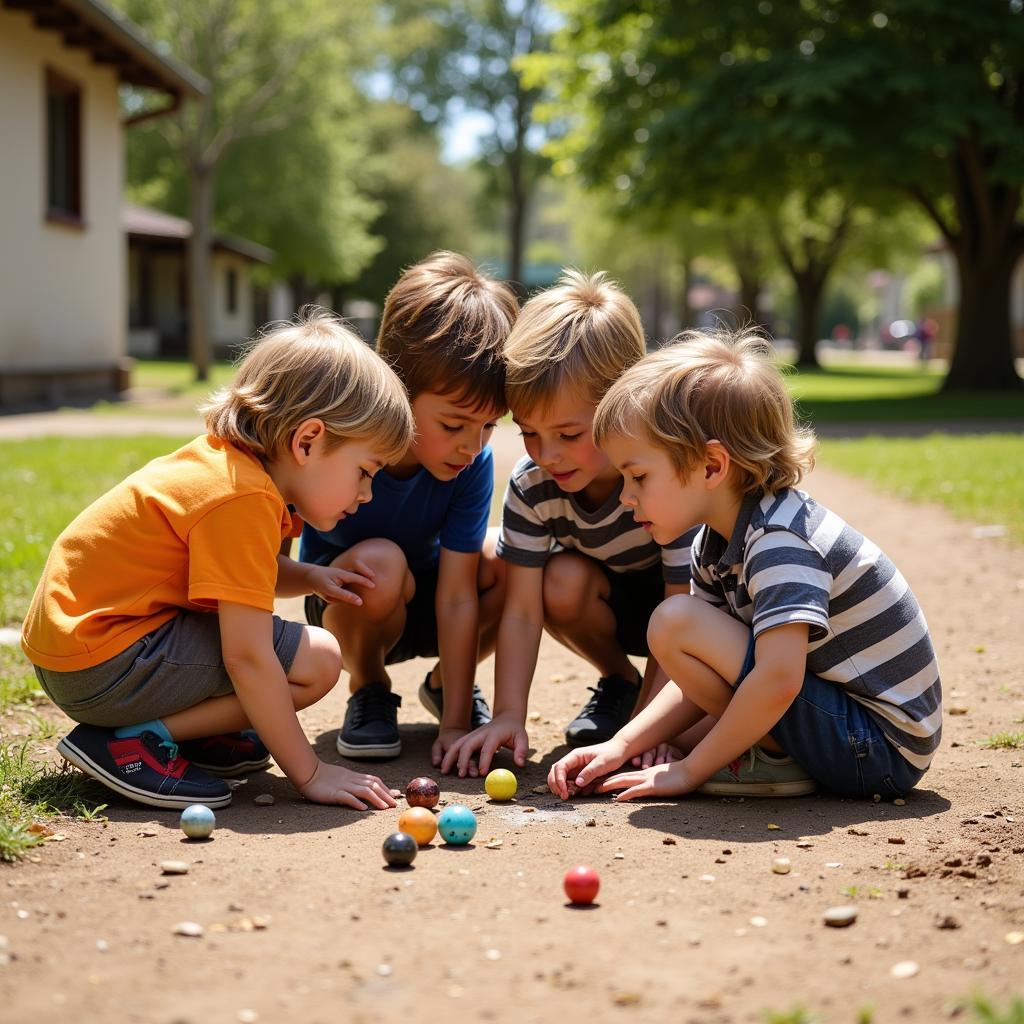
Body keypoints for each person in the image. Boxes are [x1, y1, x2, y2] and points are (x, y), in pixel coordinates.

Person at [21, 309, 413, 811]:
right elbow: (246, 658)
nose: (366, 494)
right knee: (317, 661)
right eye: (365, 471)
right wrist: (310, 772)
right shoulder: (241, 498)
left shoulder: (227, 469)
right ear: (308, 441)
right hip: (107, 663)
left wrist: (311, 576)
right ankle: (133, 743)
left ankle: (189, 736)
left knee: (290, 655)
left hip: (85, 655)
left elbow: (235, 574)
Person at [548, 329, 942, 803]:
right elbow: (714, 677)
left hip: (877, 751)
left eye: (639, 476)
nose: (626, 496)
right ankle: (764, 753)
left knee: (674, 623)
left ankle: (770, 759)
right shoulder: (717, 541)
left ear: (713, 466)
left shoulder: (781, 540)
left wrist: (688, 770)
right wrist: (621, 745)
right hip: (845, 727)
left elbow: (776, 680)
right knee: (678, 634)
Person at [442, 270, 699, 779]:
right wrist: (509, 714)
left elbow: (684, 607)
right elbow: (521, 611)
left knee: (684, 726)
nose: (548, 455)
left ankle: (646, 710)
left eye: (568, 433)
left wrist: (649, 732)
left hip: (689, 620)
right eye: (531, 433)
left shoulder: (663, 477)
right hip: (608, 607)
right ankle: (620, 682)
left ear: (623, 402)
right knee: (556, 582)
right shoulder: (534, 484)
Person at [299, 252, 518, 765]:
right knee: (382, 561)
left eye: (488, 426)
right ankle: (370, 687)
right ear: (398, 385)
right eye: (454, 425)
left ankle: (446, 687)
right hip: (348, 604)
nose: (473, 445)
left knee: (510, 559)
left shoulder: (471, 461)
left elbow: (460, 595)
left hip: (435, 601)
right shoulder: (343, 446)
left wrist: (458, 722)